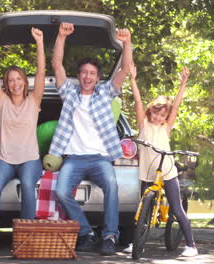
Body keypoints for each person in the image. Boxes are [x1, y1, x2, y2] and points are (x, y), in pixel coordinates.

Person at [49, 22, 132, 256]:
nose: (87, 76)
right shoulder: (68, 93)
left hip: (100, 159)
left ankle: (109, 236)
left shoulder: (106, 93)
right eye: (84, 72)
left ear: (97, 78)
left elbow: (125, 68)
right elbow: (56, 64)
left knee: (112, 187)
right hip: (74, 158)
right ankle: (86, 233)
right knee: (62, 192)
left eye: (92, 74)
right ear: (79, 75)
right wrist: (61, 36)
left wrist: (126, 42)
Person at [0, 24, 45, 251]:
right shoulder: (2, 102)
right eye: (11, 80)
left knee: (28, 187)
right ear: (6, 85)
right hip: (5, 158)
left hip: (29, 158)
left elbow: (40, 72)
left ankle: (25, 236)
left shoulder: (34, 101)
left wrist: (39, 43)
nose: (15, 83)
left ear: (24, 82)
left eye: (19, 79)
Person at [128, 62, 198, 257]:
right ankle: (134, 242)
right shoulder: (143, 125)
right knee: (142, 209)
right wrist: (133, 80)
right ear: (150, 111)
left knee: (176, 208)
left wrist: (183, 84)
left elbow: (175, 106)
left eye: (162, 115)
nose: (159, 117)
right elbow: (137, 101)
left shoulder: (165, 128)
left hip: (166, 170)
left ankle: (191, 245)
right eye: (156, 113)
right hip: (148, 171)